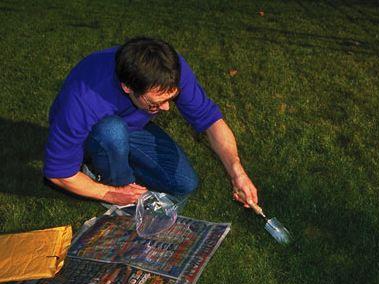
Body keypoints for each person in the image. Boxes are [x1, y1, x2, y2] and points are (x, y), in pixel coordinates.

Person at [43, 37, 258, 207]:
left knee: (184, 183)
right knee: (112, 132)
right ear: (127, 87)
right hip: (92, 135)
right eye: (156, 103)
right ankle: (105, 179)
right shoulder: (83, 99)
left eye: (170, 98)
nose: (166, 108)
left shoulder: (168, 69)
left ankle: (117, 163)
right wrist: (111, 194)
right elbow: (59, 174)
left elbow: (211, 120)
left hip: (131, 127)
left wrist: (237, 172)